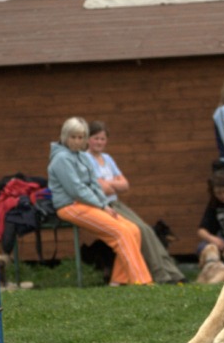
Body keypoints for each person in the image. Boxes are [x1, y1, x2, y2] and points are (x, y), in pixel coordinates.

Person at [47, 117, 152, 286]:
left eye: (81, 137)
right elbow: (76, 190)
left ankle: (119, 280)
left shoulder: (82, 156)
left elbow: (94, 184)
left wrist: (104, 204)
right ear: (65, 136)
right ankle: (142, 281)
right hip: (70, 205)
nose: (77, 141)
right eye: (73, 137)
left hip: (88, 204)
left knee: (133, 229)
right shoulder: (61, 159)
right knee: (121, 233)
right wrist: (102, 205)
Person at [85, 121, 186, 284]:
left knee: (147, 229)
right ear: (88, 139)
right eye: (96, 138)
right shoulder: (85, 159)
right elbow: (101, 188)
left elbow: (125, 185)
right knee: (139, 230)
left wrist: (109, 183)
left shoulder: (107, 158)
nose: (99, 142)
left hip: (116, 202)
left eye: (102, 139)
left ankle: (173, 272)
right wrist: (113, 184)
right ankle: (160, 274)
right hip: (103, 205)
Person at [197, 167, 224, 261]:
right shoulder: (214, 204)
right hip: (223, 241)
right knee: (202, 247)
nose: (222, 196)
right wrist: (212, 239)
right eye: (218, 193)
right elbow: (201, 230)